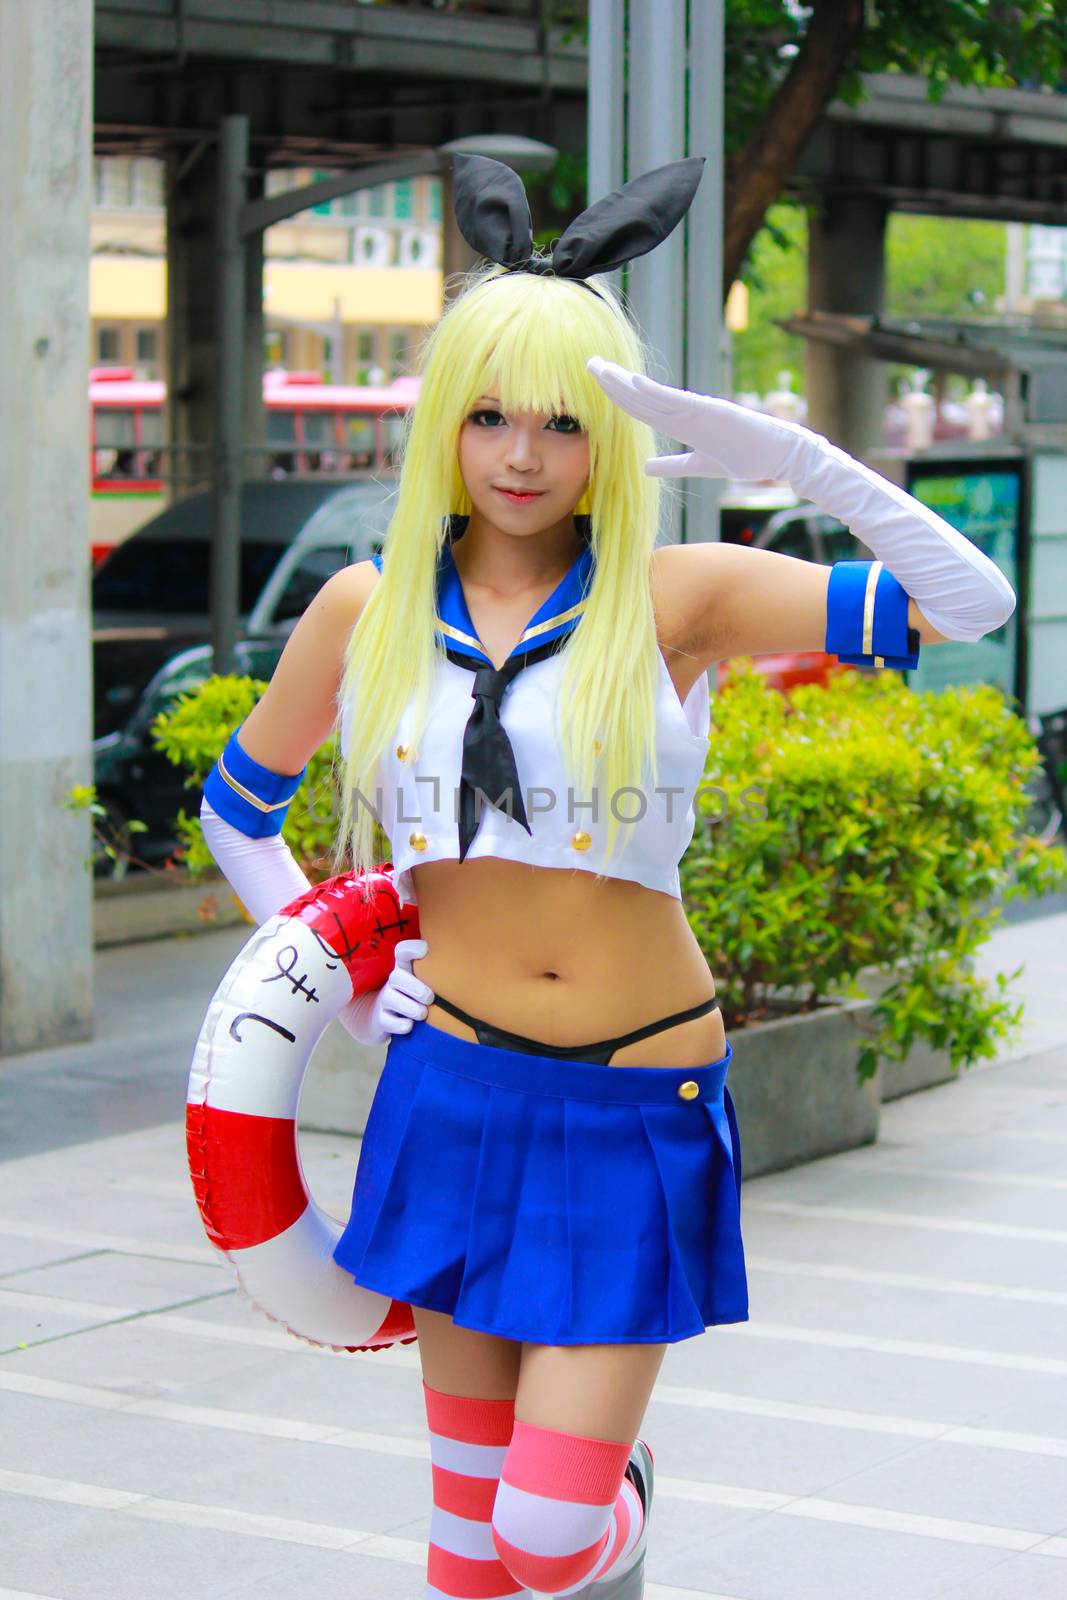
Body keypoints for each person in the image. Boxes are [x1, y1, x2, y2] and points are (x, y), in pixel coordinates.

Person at [198, 155, 1016, 1600]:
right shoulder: (366, 608)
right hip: (451, 1089)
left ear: (614, 440)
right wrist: (343, 986)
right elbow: (238, 810)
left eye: (567, 423)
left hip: (634, 1093)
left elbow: (971, 605)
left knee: (547, 1536)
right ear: (443, 422)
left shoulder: (675, 591)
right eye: (491, 416)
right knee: (464, 1554)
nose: (523, 454)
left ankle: (613, 1499)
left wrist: (798, 463)